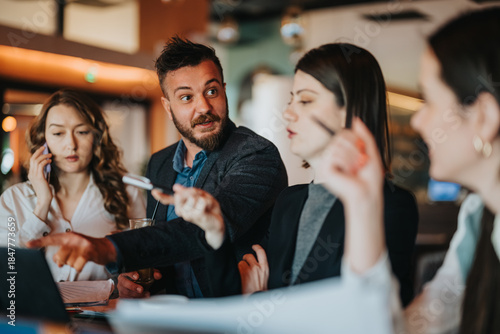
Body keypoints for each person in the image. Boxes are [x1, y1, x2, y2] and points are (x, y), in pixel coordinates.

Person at [156, 43, 418, 306]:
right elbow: (232, 298)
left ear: (350, 110)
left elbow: (365, 316)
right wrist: (214, 233)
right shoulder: (290, 201)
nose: (288, 112)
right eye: (292, 99)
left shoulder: (391, 205)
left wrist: (258, 298)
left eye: (305, 100)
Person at [28, 37, 288, 298]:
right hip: (168, 316)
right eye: (186, 97)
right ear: (168, 106)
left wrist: (110, 248)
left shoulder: (256, 154)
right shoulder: (160, 163)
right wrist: (134, 277)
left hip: (233, 314)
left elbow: (205, 228)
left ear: (223, 89)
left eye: (211, 91)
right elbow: (165, 251)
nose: (204, 107)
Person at [319, 7, 500, 334]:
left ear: (484, 117)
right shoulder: (479, 217)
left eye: (428, 101)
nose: (417, 120)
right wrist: (363, 203)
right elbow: (405, 328)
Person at [0, 89, 146, 281]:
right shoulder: (13, 199)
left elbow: (142, 261)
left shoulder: (126, 193)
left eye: (82, 131)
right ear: (43, 139)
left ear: (96, 137)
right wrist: (42, 204)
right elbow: (7, 273)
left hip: (106, 310)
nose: (71, 144)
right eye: (58, 133)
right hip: (36, 311)